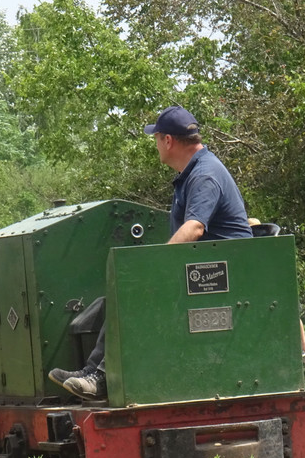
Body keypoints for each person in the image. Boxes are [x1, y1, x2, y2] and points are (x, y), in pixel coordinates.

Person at [50, 105, 251, 400]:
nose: (156, 145)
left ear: (167, 140)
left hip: (227, 277)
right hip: (208, 269)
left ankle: (102, 379)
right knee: (113, 300)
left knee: (136, 293)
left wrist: (156, 265)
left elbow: (194, 228)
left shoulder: (205, 175)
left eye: (156, 138)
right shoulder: (193, 173)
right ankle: (94, 372)